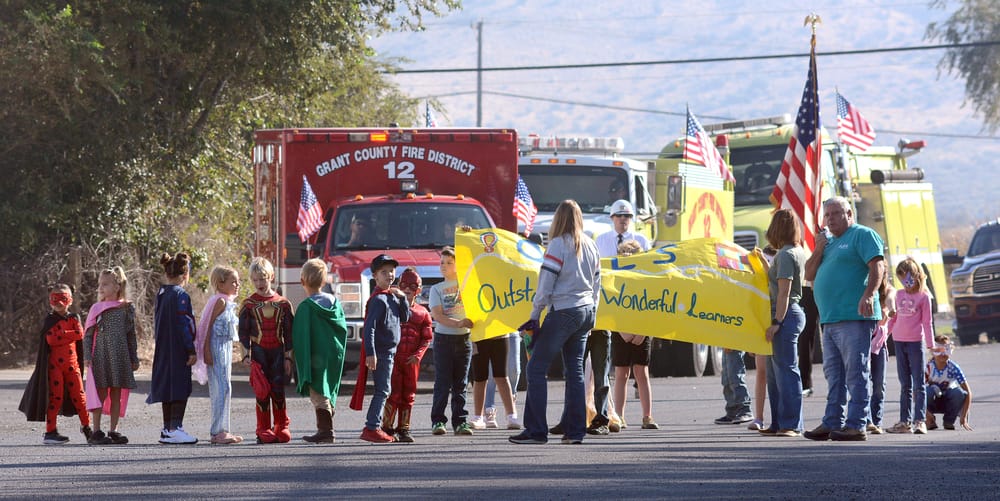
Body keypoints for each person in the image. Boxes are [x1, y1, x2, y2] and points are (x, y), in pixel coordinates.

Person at [510, 200, 601, 445]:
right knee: (575, 372)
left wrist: (535, 313)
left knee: (536, 368)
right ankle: (575, 431)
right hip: (586, 310)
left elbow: (546, 284)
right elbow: (597, 284)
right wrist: (593, 313)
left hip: (563, 309)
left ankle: (536, 430)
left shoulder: (558, 245)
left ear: (558, 219)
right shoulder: (591, 244)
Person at [803, 196, 886, 441]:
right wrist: (818, 247)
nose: (830, 219)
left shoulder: (862, 235)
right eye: (827, 215)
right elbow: (808, 273)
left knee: (856, 372)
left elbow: (877, 266)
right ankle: (832, 421)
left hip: (854, 316)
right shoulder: (826, 243)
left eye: (836, 214)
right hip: (830, 318)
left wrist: (869, 295)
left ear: (849, 214)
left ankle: (857, 424)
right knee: (834, 375)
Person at [571, 199, 650, 436]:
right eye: (619, 216)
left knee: (613, 369)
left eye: (627, 216)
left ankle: (611, 414)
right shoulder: (601, 240)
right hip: (606, 310)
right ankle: (595, 412)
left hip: (631, 309)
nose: (623, 220)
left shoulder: (642, 242)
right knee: (598, 369)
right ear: (612, 218)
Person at [19, 284, 92, 444]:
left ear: (70, 300)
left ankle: (87, 427)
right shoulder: (49, 320)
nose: (59, 302)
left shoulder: (74, 318)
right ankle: (50, 431)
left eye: (63, 298)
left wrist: (62, 334)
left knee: (80, 397)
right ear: (50, 301)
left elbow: (80, 334)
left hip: (72, 366)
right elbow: (51, 339)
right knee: (55, 398)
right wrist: (69, 334)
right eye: (55, 298)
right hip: (54, 367)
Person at [757, 209, 806, 437]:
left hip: (784, 314)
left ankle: (791, 424)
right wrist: (763, 264)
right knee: (776, 374)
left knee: (786, 371)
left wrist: (777, 321)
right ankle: (779, 422)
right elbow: (777, 282)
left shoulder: (786, 255)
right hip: (788, 313)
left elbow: (784, 292)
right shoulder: (792, 251)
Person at [238, 256, 295, 444]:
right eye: (255, 279)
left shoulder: (284, 304)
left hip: (278, 352)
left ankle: (281, 425)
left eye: (262, 278)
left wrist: (288, 358)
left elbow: (289, 333)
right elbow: (243, 333)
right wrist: (245, 355)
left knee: (278, 390)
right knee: (262, 391)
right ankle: (262, 428)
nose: (259, 283)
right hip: (259, 353)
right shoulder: (248, 305)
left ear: (271, 276)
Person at [293, 258, 348, 444]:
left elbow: (300, 336)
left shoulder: (306, 308)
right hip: (333, 353)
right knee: (328, 387)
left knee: (317, 391)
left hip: (315, 356)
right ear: (324, 281)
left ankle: (325, 431)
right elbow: (342, 328)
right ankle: (327, 419)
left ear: (302, 281)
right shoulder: (335, 304)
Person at [147, 253, 198, 445]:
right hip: (177, 349)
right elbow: (183, 324)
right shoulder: (180, 295)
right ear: (185, 274)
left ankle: (168, 428)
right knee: (179, 387)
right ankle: (175, 428)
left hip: (163, 348)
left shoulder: (162, 293)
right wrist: (191, 349)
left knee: (167, 387)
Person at [83, 267, 138, 445]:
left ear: (117, 286)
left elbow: (131, 334)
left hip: (120, 357)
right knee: (100, 393)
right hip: (100, 356)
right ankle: (97, 431)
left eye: (105, 284)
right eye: (100, 284)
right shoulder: (97, 308)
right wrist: (86, 356)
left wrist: (134, 357)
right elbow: (88, 334)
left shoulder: (127, 308)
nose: (100, 288)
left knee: (116, 394)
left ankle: (114, 430)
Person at [358, 254, 409, 443]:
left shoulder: (392, 297)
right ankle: (372, 427)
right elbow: (369, 327)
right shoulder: (378, 300)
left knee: (384, 389)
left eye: (392, 271)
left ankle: (374, 426)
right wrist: (370, 353)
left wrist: (402, 298)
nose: (389, 275)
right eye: (384, 272)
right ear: (375, 276)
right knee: (382, 390)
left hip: (390, 352)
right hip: (381, 352)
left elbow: (405, 318)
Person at [610, 239, 658, 431]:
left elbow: (654, 307)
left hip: (641, 330)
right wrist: (622, 331)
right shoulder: (616, 278)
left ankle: (647, 416)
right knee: (621, 372)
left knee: (642, 372)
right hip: (621, 330)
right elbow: (611, 304)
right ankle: (619, 416)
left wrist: (643, 332)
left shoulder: (647, 279)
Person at [381, 268, 433, 442]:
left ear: (419, 290)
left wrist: (418, 355)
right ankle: (387, 427)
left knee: (408, 394)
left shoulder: (423, 313)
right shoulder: (391, 307)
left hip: (411, 360)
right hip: (394, 358)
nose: (408, 289)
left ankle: (404, 428)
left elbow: (426, 339)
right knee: (393, 393)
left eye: (413, 285)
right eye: (404, 285)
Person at [885, 258, 935, 435]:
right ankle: (904, 422)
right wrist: (884, 336)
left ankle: (919, 421)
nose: (905, 284)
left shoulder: (924, 297)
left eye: (907, 280)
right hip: (899, 342)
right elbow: (894, 319)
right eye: (901, 281)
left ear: (915, 276)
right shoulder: (899, 295)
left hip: (915, 344)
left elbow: (927, 323)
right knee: (904, 384)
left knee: (918, 384)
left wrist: (931, 345)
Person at [429, 246, 476, 436]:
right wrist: (459, 323)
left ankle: (460, 422)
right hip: (443, 340)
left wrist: (467, 235)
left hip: (464, 340)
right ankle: (438, 421)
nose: (444, 266)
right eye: (442, 262)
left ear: (458, 265)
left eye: (449, 263)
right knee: (442, 382)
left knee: (461, 383)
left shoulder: (468, 286)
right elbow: (438, 316)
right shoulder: (436, 289)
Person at [195, 266, 243, 444]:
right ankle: (218, 431)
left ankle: (222, 429)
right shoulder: (219, 302)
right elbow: (206, 327)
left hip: (225, 349)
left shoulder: (226, 301)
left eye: (238, 281)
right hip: (216, 349)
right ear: (220, 283)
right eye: (233, 281)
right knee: (221, 388)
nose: (237, 284)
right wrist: (206, 350)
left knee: (224, 387)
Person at [924, 335, 973, 431]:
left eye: (946, 349)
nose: (942, 354)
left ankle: (949, 420)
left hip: (949, 401)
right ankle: (929, 419)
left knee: (958, 393)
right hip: (932, 402)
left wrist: (964, 417)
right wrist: (926, 413)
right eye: (938, 350)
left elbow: (968, 393)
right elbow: (916, 392)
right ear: (932, 351)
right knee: (926, 391)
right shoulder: (928, 368)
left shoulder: (954, 368)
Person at [867, 278, 895, 435]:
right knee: (862, 384)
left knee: (879, 385)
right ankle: (867, 420)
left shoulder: (888, 290)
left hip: (878, 345)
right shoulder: (863, 288)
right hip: (863, 341)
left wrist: (891, 309)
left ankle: (876, 421)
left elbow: (891, 299)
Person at [483, 333, 521, 429]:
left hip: (511, 329)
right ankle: (489, 409)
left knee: (514, 370)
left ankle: (511, 401)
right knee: (491, 374)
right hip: (489, 332)